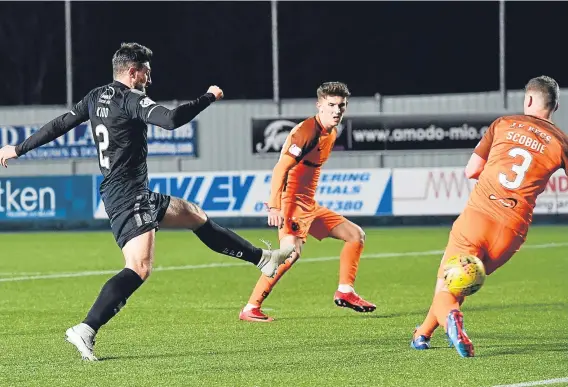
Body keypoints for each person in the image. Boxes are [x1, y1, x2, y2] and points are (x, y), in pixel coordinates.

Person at [0, 42, 294, 361]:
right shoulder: (131, 99)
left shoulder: (95, 96)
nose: (149, 80)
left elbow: (59, 124)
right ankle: (85, 329)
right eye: (146, 73)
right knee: (139, 267)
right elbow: (171, 120)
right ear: (133, 71)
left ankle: (263, 259)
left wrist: (18, 148)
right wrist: (209, 97)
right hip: (129, 195)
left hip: (132, 192)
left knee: (194, 214)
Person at [411, 75, 567, 357]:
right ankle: (422, 334)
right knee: (461, 281)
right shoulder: (560, 142)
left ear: (529, 99)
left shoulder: (503, 124)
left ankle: (451, 320)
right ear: (554, 106)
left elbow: (471, 170)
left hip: (478, 216)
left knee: (447, 284)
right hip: (512, 231)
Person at [238, 81, 376, 322]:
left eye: (341, 106)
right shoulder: (307, 132)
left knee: (356, 236)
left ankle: (345, 291)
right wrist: (274, 206)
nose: (337, 111)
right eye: (331, 105)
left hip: (309, 204)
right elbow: (281, 168)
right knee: (290, 254)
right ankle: (251, 307)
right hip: (291, 202)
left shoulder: (330, 132)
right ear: (319, 105)